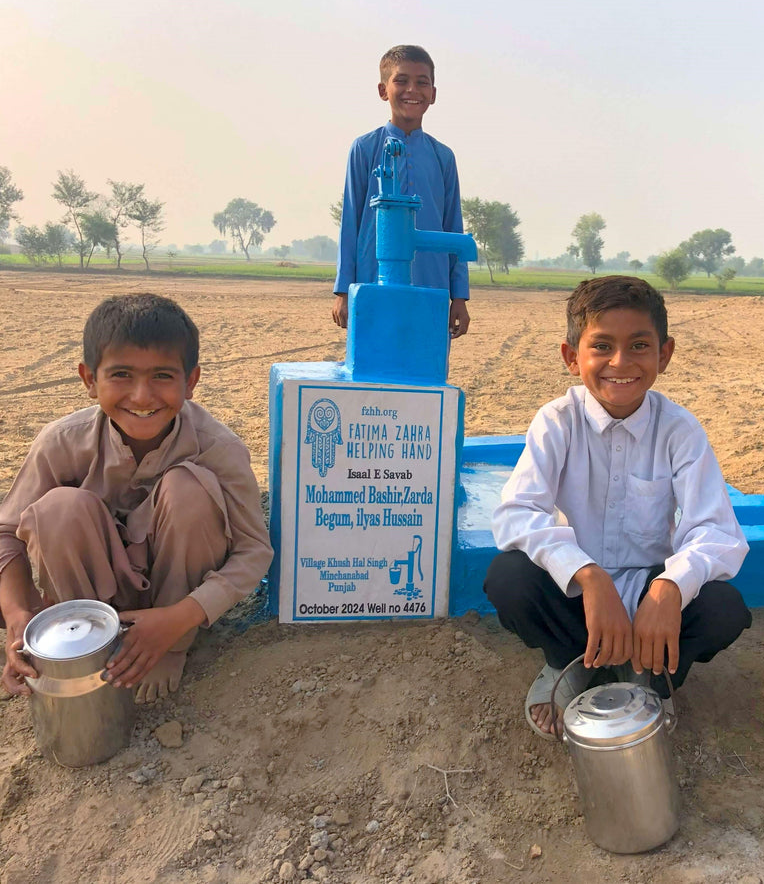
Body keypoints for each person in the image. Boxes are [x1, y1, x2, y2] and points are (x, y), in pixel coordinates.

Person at [484, 276, 751, 739]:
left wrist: (669, 587)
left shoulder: (680, 431)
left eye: (639, 346)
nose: (620, 363)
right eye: (602, 346)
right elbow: (517, 513)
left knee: (723, 607)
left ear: (664, 355)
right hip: (579, 594)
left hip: (649, 588)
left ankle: (645, 672)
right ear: (572, 358)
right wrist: (587, 575)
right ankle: (569, 662)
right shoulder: (557, 422)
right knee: (509, 579)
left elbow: (717, 532)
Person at [1, 294, 273, 703]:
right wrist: (19, 616)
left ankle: (170, 644)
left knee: (189, 489)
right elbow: (7, 535)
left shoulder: (218, 446)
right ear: (89, 380)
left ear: (191, 381)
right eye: (122, 375)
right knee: (59, 508)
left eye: (163, 376)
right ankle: (87, 646)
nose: (143, 396)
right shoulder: (62, 442)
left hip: (178, 603)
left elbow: (254, 551)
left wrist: (179, 619)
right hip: (87, 596)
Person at [331, 44, 470, 339]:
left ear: (433, 93)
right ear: (383, 90)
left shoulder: (442, 156)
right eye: (401, 80)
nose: (412, 90)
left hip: (431, 286)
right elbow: (351, 222)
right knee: (373, 365)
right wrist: (344, 290)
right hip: (372, 284)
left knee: (425, 370)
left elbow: (453, 228)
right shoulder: (364, 148)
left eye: (422, 82)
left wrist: (459, 297)